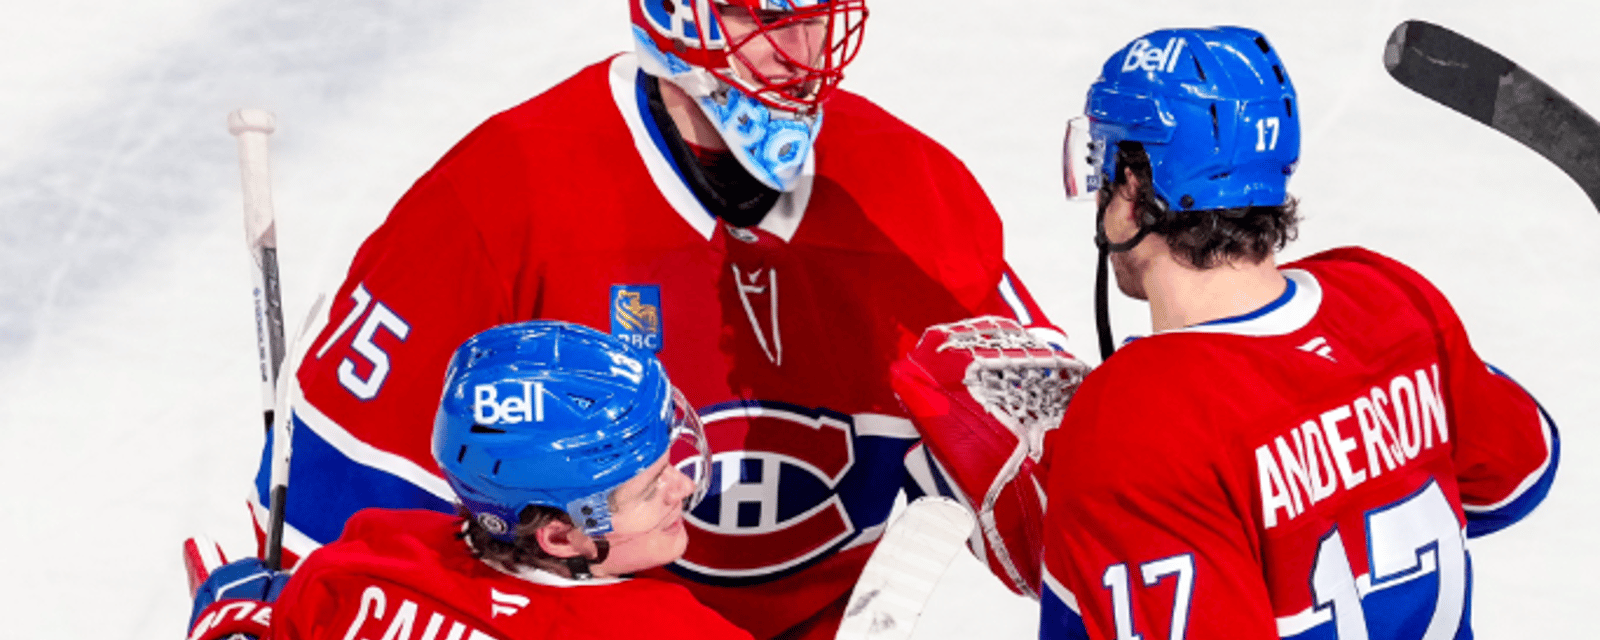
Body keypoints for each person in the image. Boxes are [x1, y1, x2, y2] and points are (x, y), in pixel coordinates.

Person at [248, 2, 1061, 638]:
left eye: (815, 17)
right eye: (758, 18)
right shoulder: (498, 197)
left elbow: (1054, 488)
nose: (801, 55)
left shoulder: (912, 195)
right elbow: (337, 533)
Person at [1034, 26, 1559, 639]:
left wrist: (1081, 507)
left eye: (1100, 160)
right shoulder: (1386, 297)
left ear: (1132, 183)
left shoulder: (1133, 425)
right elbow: (1516, 470)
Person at [191, 320, 751, 640]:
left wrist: (241, 621)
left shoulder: (361, 565)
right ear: (559, 536)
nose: (680, 487)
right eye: (651, 488)